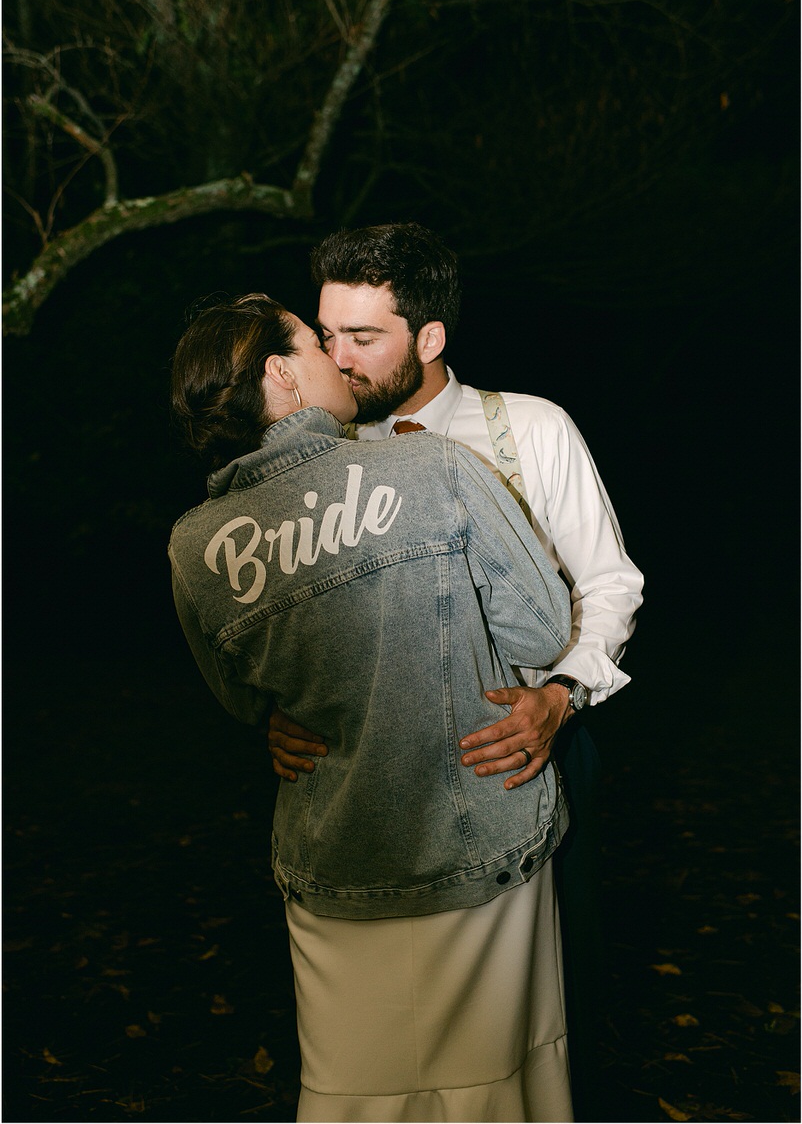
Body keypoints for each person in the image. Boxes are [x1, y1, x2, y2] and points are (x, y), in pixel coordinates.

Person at [168, 291, 575, 1122]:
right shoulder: (433, 467)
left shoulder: (194, 543)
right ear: (283, 374)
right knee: (497, 1090)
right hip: (479, 841)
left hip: (334, 866)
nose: (337, 355)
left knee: (357, 1099)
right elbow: (541, 631)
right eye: (316, 343)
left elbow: (246, 700)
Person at [268, 223, 645, 1118]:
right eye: (328, 335)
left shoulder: (531, 428)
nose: (339, 358)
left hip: (521, 755)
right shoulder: (321, 454)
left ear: (429, 339)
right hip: (365, 792)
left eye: (365, 338)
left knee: (529, 1028)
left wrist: (561, 696)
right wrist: (279, 709)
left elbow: (608, 582)